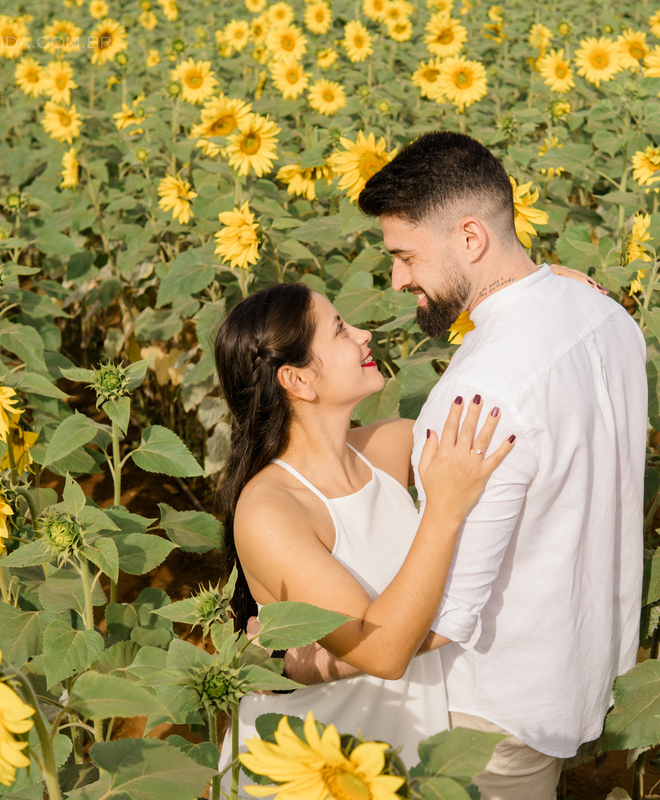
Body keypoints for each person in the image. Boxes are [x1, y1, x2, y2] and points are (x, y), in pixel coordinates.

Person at [295, 131, 648, 800]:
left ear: (471, 238)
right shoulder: (604, 314)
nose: (398, 279)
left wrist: (314, 655)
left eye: (404, 255)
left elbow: (438, 620)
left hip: (489, 715)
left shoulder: (477, 399)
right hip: (583, 669)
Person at [211, 280, 517, 797]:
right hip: (309, 768)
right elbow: (383, 651)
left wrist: (542, 297)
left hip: (397, 749)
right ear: (298, 379)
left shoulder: (388, 446)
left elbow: (511, 420)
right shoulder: (272, 509)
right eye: (339, 330)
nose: (364, 334)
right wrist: (443, 508)